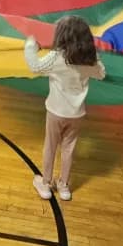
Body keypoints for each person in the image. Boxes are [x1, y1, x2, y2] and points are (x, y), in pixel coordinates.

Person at [24, 16, 106, 201]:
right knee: (69, 148)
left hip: (55, 112)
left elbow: (35, 66)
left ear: (61, 37)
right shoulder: (89, 61)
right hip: (77, 114)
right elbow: (101, 74)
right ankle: (64, 186)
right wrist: (96, 57)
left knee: (50, 147)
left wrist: (30, 45)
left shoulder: (57, 58)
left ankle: (45, 184)